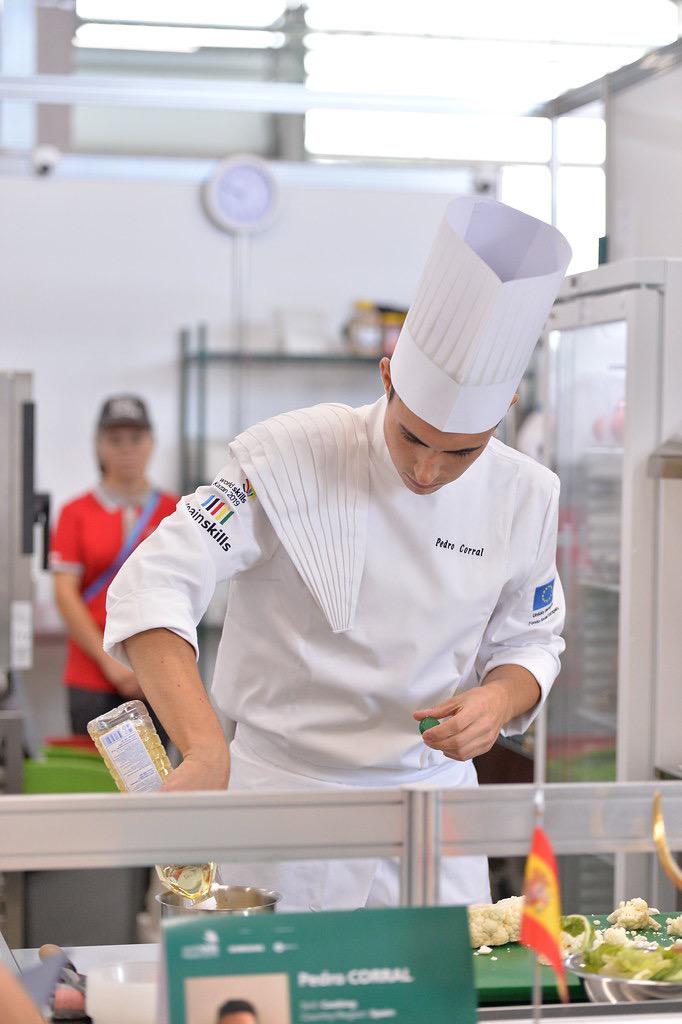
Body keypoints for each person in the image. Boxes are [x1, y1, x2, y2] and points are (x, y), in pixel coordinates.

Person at [104, 197, 572, 910]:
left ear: (504, 409)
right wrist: (202, 748)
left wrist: (499, 696)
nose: (426, 472)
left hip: (432, 812)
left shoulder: (526, 495)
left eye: (461, 453)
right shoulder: (292, 456)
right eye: (412, 437)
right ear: (387, 376)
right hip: (283, 804)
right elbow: (154, 582)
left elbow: (534, 636)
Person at [51, 395, 177, 735]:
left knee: (160, 781)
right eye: (115, 439)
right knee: (93, 780)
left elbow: (182, 593)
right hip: (91, 671)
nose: (126, 449)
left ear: (151, 444)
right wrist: (111, 664)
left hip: (160, 673)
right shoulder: (75, 512)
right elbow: (65, 594)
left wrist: (149, 665)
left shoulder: (176, 511)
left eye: (136, 439)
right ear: (99, 445)